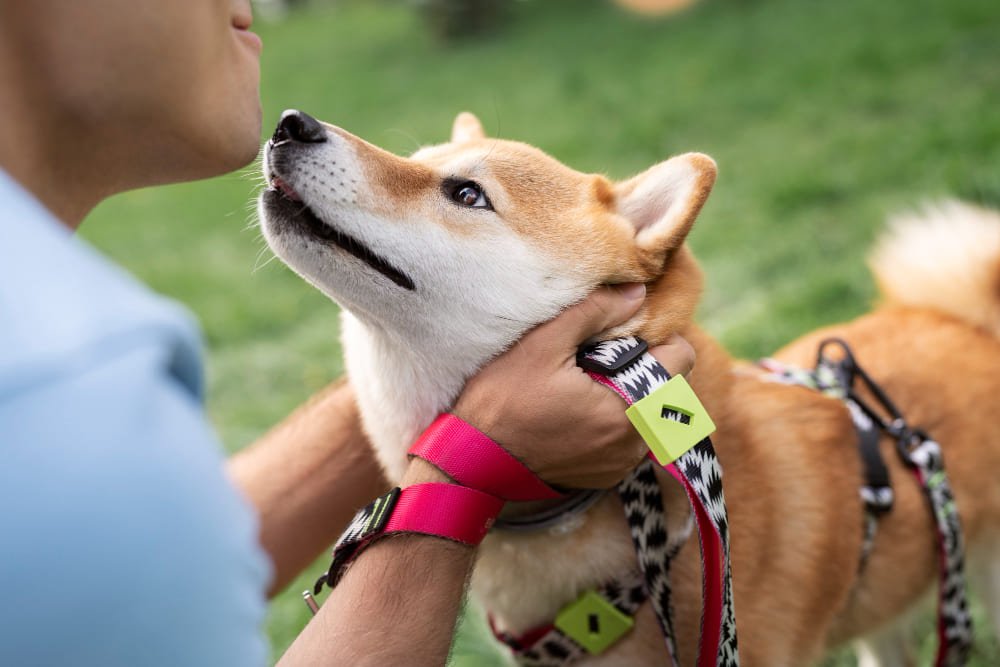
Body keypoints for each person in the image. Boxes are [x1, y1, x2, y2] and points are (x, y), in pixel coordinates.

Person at [0, 1, 695, 665]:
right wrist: (467, 462)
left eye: (462, 192)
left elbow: (158, 558)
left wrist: (451, 386)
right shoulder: (55, 396)